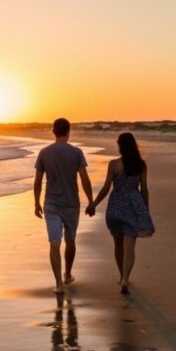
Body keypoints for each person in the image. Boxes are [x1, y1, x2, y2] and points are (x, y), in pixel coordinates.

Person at [86, 132, 154, 295]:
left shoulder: (114, 165)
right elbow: (144, 189)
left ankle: (121, 275)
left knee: (118, 244)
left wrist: (93, 204)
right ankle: (125, 279)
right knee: (129, 247)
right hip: (133, 205)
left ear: (121, 146)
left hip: (116, 206)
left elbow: (106, 188)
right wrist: (146, 210)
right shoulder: (141, 165)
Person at [34, 118, 94, 294]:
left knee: (54, 243)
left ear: (53, 131)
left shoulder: (44, 153)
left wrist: (36, 202)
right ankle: (67, 274)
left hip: (51, 204)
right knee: (70, 240)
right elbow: (84, 178)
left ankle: (59, 284)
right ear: (69, 131)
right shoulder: (76, 152)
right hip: (71, 204)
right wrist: (91, 201)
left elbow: (38, 181)